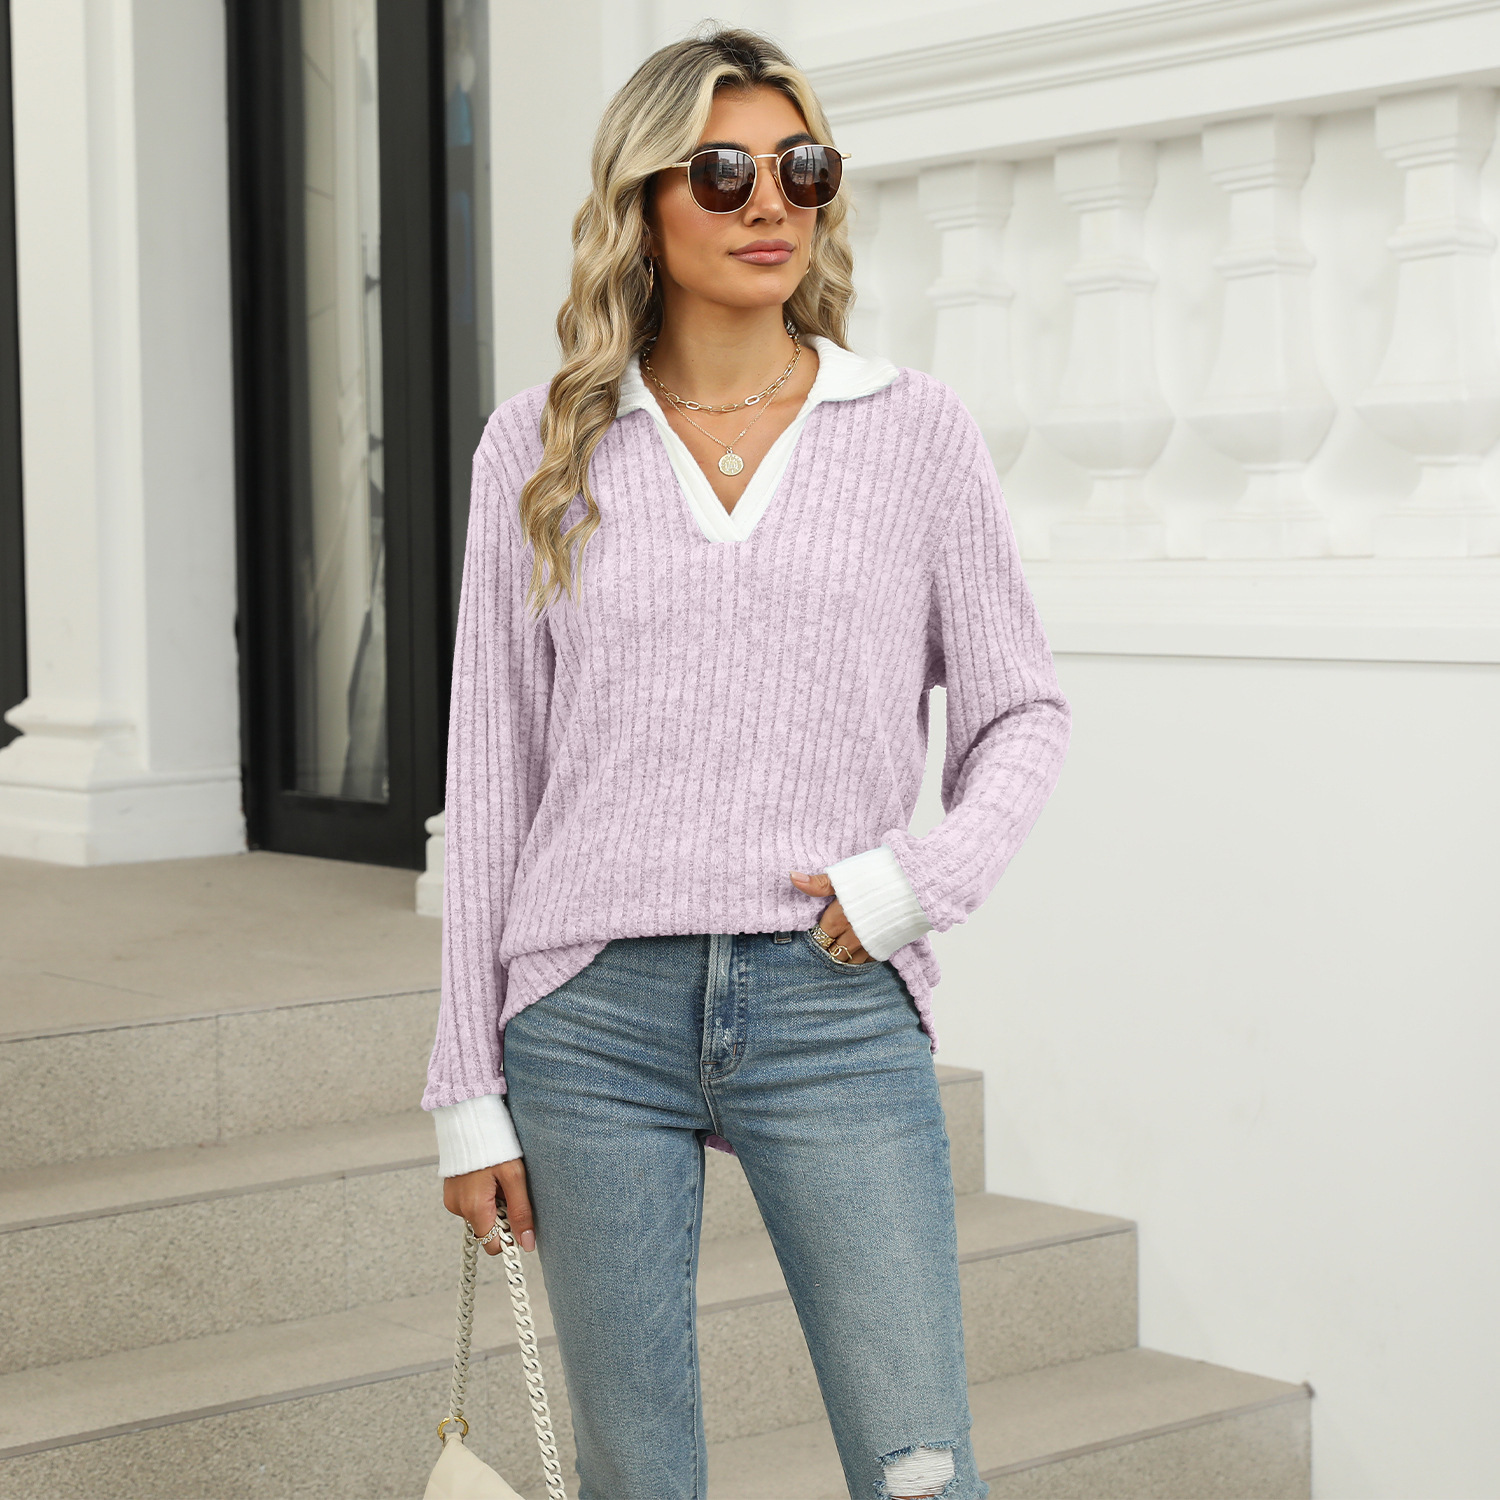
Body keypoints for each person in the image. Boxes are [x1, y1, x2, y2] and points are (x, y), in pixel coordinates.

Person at [422, 23, 1071, 1500]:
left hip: (832, 1005)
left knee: (920, 1469)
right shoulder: (540, 445)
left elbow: (1022, 710)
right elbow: (494, 772)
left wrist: (923, 880)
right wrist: (467, 1085)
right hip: (588, 1018)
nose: (770, 201)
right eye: (723, 171)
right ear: (644, 201)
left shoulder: (913, 433)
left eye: (801, 168)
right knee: (640, 1478)